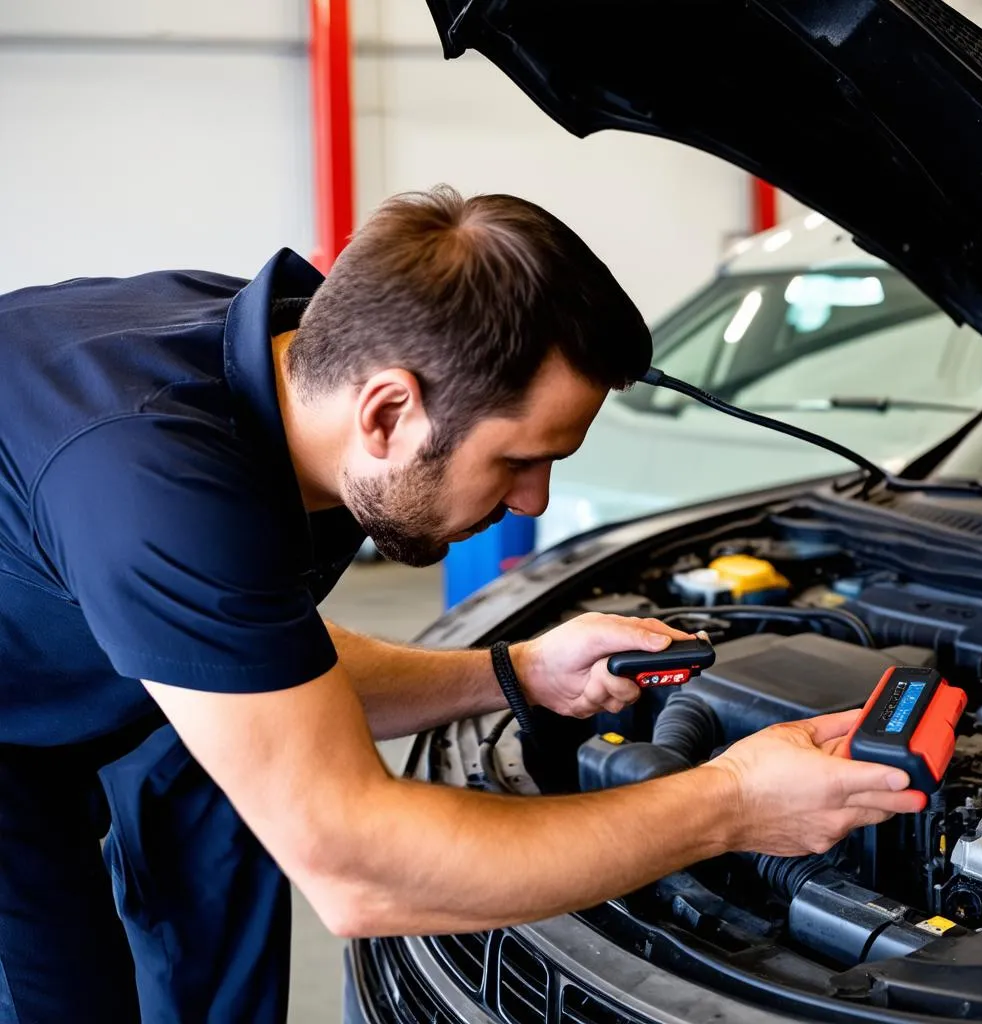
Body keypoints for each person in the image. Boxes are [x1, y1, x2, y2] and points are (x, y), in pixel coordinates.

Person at [0, 185, 921, 1022]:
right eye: (520, 459)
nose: (534, 503)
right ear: (388, 412)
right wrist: (729, 805)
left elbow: (256, 648)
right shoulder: (153, 478)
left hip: (74, 647)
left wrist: (517, 673)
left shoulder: (294, 370)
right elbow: (359, 874)